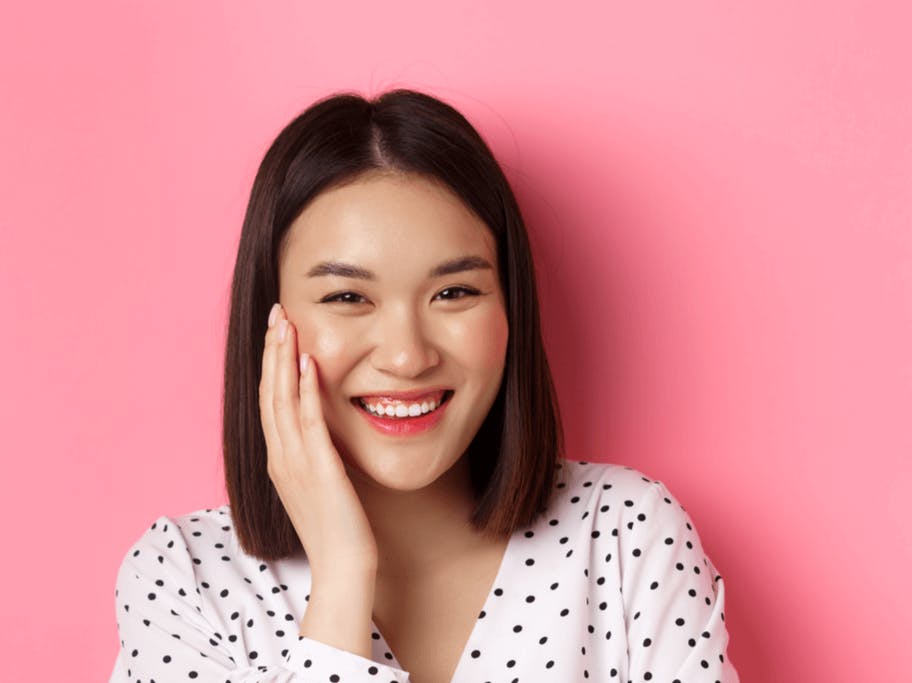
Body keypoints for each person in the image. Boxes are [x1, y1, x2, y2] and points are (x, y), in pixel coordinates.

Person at [108, 88, 740, 682]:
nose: (408, 357)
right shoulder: (183, 577)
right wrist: (341, 576)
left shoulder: (626, 536)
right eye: (349, 296)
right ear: (270, 320)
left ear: (509, 309)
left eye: (454, 292)